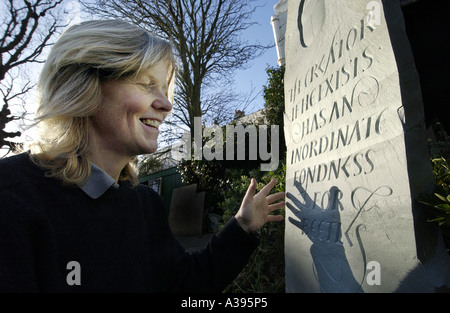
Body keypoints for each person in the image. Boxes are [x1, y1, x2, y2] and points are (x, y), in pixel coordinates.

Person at [0, 20, 285, 292]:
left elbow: (183, 285)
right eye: (146, 84)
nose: (166, 104)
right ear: (84, 84)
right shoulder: (12, 197)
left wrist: (243, 225)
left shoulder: (144, 205)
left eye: (164, 89)